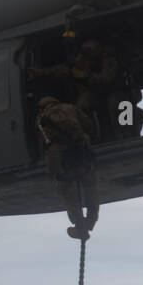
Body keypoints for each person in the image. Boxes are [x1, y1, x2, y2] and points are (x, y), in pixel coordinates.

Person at [36, 95, 99, 239]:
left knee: (70, 196)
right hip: (82, 153)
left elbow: (48, 145)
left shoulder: (42, 119)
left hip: (64, 159)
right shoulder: (72, 108)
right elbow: (89, 125)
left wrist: (56, 174)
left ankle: (80, 227)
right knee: (91, 190)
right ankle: (90, 222)